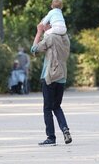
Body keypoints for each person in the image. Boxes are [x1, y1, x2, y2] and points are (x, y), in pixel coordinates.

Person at [31, 15, 72, 146]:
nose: (43, 26)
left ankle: (51, 137)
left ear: (50, 25)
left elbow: (34, 49)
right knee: (57, 106)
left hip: (49, 75)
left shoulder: (50, 37)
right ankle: (65, 129)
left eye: (45, 24)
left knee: (47, 108)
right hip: (62, 76)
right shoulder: (65, 37)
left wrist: (39, 32)